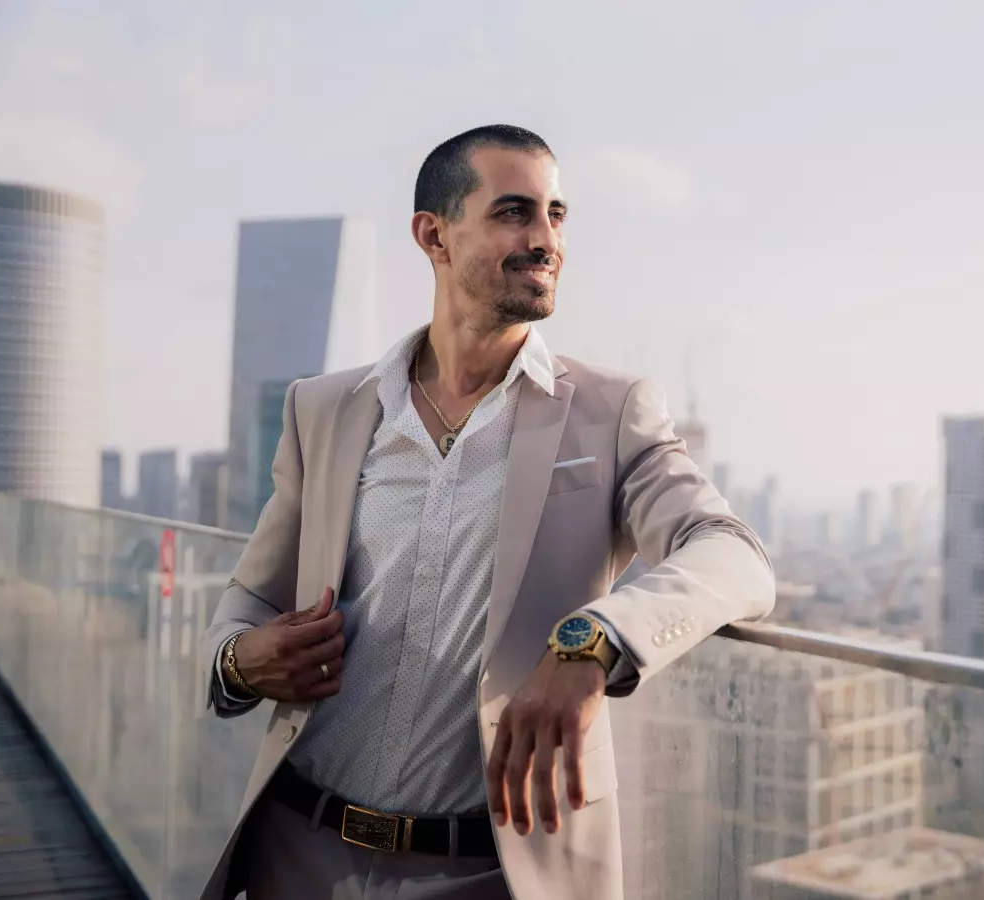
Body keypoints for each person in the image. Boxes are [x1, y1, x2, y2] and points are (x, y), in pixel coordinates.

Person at [199, 124, 774, 900]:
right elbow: (252, 595)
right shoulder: (325, 409)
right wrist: (239, 660)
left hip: (493, 870)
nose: (546, 240)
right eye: (514, 212)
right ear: (433, 236)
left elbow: (731, 553)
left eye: (556, 214)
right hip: (300, 854)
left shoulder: (610, 412)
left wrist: (590, 645)